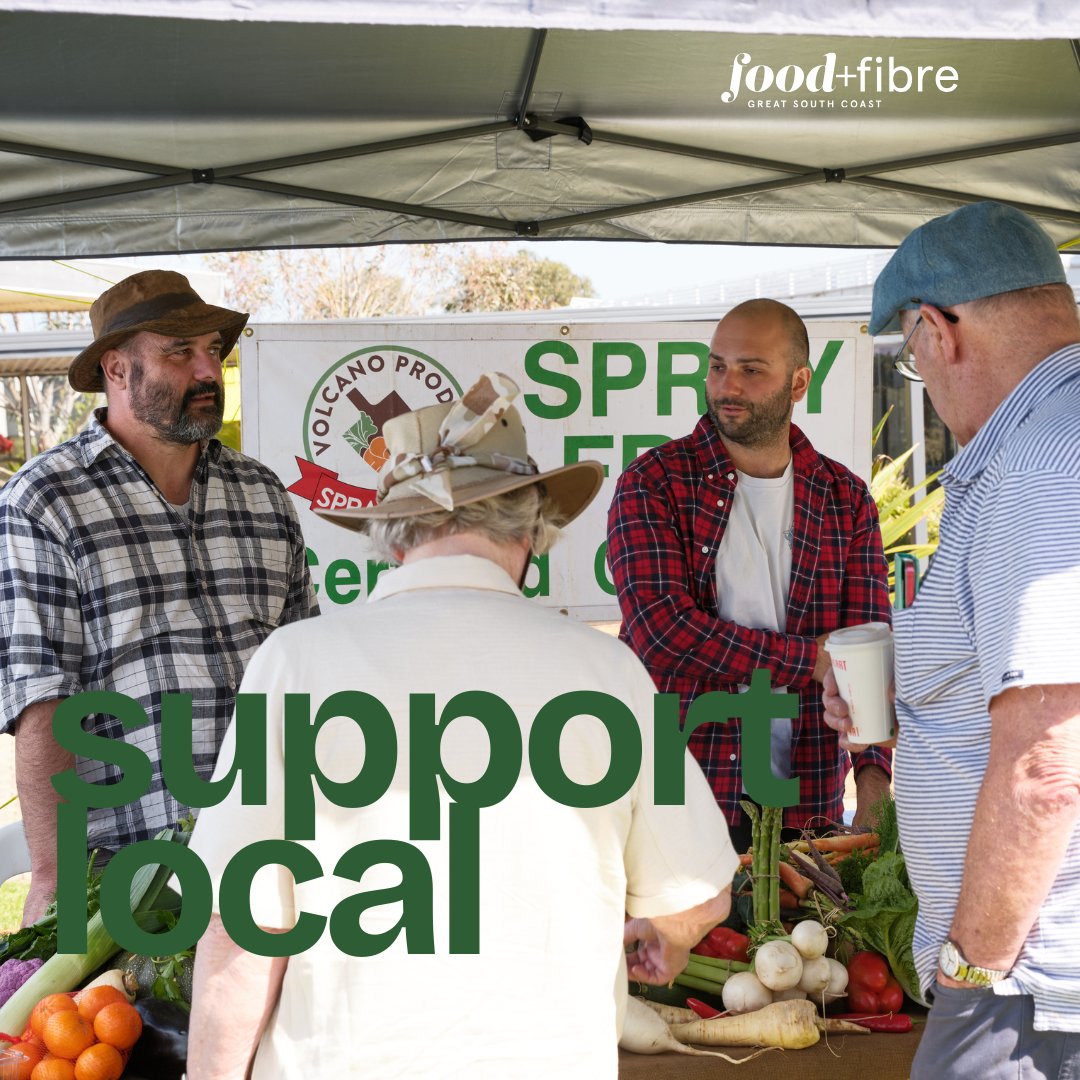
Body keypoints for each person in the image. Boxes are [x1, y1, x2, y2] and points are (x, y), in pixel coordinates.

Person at [186, 373, 739, 1080]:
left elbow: (242, 927)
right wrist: (670, 937)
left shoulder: (293, 663)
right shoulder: (608, 673)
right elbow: (698, 893)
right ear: (532, 530)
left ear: (393, 539)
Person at [823, 201, 1080, 1078]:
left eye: (912, 356)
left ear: (938, 330)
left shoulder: (1039, 462)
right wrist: (928, 683)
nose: (923, 377)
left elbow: (1047, 765)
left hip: (1035, 996)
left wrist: (970, 973)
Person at [0, 269, 319, 924]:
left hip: (268, 856)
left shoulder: (263, 493)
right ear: (117, 370)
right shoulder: (46, 499)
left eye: (213, 350)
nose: (208, 371)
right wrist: (55, 883)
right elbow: (41, 701)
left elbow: (302, 670)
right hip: (128, 878)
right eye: (180, 352)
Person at [607, 298, 893, 853]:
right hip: (681, 795)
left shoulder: (845, 497)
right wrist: (811, 660)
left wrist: (874, 782)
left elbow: (867, 648)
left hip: (809, 804)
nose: (727, 385)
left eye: (751, 369)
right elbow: (661, 631)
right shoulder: (655, 481)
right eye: (717, 366)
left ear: (799, 382)